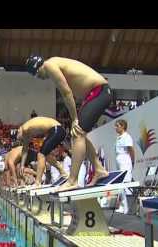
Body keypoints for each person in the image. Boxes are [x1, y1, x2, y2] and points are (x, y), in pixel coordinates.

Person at [25, 55, 110, 191]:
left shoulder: (50, 65)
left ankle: (72, 180)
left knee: (77, 134)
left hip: (99, 91)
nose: (40, 78)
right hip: (95, 93)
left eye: (37, 75)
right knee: (79, 134)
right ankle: (99, 169)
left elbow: (66, 93)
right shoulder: (55, 63)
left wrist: (74, 118)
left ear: (38, 68)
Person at [17, 117, 68, 187]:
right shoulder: (27, 131)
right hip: (57, 131)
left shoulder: (25, 128)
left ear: (19, 130)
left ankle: (38, 182)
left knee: (40, 155)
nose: (22, 140)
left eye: (21, 139)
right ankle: (63, 173)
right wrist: (22, 165)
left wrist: (22, 165)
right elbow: (25, 149)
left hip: (57, 129)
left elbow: (25, 147)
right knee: (45, 155)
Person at [114, 119, 135, 214]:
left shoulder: (127, 136)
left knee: (125, 183)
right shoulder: (118, 137)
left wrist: (132, 161)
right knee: (120, 184)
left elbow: (131, 149)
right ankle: (123, 206)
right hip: (119, 159)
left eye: (117, 126)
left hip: (125, 159)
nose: (115, 127)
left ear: (123, 126)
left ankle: (129, 207)